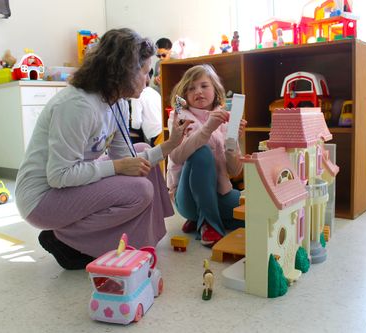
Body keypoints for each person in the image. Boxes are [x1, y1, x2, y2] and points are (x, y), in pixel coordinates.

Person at [14, 28, 192, 270]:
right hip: (42, 198)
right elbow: (59, 176)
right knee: (140, 189)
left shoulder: (117, 101)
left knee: (140, 152)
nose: (148, 79)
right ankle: (65, 240)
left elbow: (127, 159)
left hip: (66, 185)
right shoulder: (78, 105)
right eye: (144, 72)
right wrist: (117, 166)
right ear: (125, 71)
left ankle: (137, 243)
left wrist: (169, 146)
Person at [166, 64, 247, 247]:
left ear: (215, 90)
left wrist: (233, 143)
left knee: (252, 217)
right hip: (186, 197)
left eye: (204, 86)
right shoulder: (179, 116)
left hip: (218, 193)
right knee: (201, 152)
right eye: (191, 88)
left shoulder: (225, 119)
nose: (198, 92)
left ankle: (200, 219)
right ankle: (209, 224)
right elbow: (176, 156)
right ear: (185, 94)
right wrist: (208, 128)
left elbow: (234, 171)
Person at [130, 68, 163, 147]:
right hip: (163, 132)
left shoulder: (136, 96)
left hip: (155, 136)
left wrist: (130, 119)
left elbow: (136, 124)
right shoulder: (154, 92)